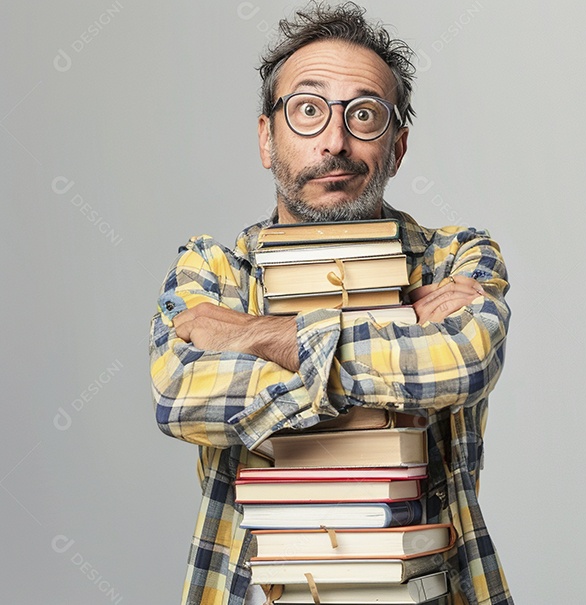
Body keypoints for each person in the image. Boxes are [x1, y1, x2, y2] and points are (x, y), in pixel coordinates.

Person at [148, 4, 513, 604]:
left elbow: (461, 362)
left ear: (397, 148)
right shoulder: (213, 269)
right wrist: (402, 328)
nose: (335, 142)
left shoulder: (459, 259)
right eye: (308, 110)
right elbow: (179, 396)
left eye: (364, 116)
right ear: (268, 138)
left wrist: (260, 337)